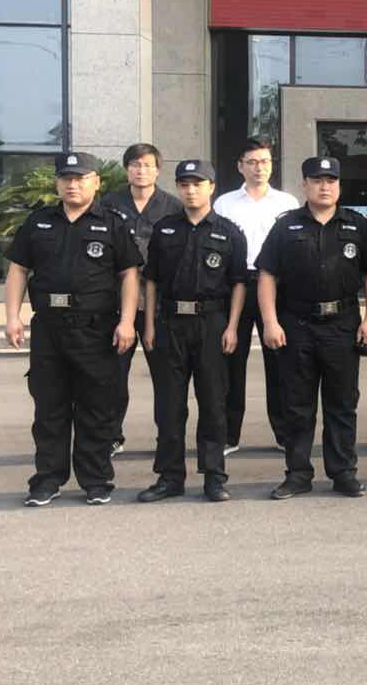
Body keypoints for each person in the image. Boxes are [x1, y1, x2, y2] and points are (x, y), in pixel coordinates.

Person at [4, 152, 141, 506]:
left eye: (80, 178)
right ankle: (47, 480)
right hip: (49, 328)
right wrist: (12, 316)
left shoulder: (112, 223)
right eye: (66, 178)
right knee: (49, 408)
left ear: (96, 182)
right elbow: (18, 269)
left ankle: (96, 480)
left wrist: (127, 321)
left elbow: (129, 275)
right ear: (57, 183)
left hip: (95, 328)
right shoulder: (38, 222)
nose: (72, 184)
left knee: (96, 407)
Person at [257, 157, 367, 499]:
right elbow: (267, 274)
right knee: (297, 405)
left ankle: (343, 472)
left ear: (339, 185)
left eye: (331, 180)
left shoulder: (357, 224)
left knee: (342, 403)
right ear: (305, 185)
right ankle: (298, 473)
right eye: (317, 180)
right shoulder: (286, 225)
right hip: (296, 324)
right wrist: (270, 321)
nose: (324, 186)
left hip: (342, 324)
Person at [138, 159, 247, 503]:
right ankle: (169, 477)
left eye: (197, 184)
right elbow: (151, 280)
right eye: (184, 184)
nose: (190, 190)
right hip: (170, 323)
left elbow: (239, 283)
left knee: (213, 402)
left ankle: (214, 476)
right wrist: (150, 324)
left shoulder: (229, 232)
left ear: (211, 187)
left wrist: (232, 327)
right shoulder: (165, 229)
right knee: (169, 405)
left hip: (211, 324)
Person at [213, 136, 298, 455]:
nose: (258, 168)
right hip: (235, 284)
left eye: (264, 161)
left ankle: (284, 433)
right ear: (240, 166)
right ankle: (228, 434)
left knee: (280, 361)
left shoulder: (287, 203)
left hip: (276, 287)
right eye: (251, 162)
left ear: (271, 165)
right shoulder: (224, 204)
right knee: (231, 362)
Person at [105, 143, 181, 456]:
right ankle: (111, 436)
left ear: (158, 170)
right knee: (112, 376)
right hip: (116, 302)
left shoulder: (173, 207)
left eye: (148, 165)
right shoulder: (109, 204)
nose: (141, 170)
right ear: (127, 170)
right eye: (135, 165)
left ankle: (168, 439)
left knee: (166, 379)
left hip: (159, 304)